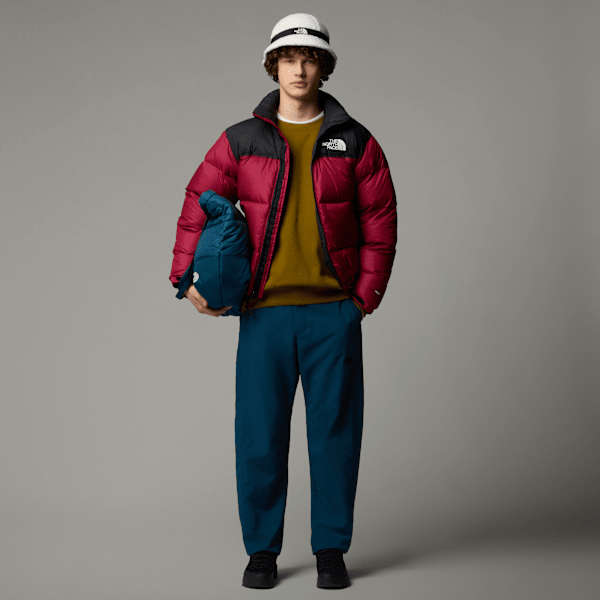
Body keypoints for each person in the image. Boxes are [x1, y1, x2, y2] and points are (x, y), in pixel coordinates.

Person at [169, 13, 397, 589]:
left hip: (333, 315)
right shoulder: (242, 140)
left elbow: (380, 220)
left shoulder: (355, 141)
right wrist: (186, 278)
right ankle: (262, 553)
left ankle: (331, 552)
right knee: (259, 438)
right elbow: (198, 200)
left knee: (335, 438)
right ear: (274, 66)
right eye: (289, 58)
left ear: (324, 67)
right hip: (263, 314)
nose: (299, 69)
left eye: (310, 58)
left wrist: (363, 299)